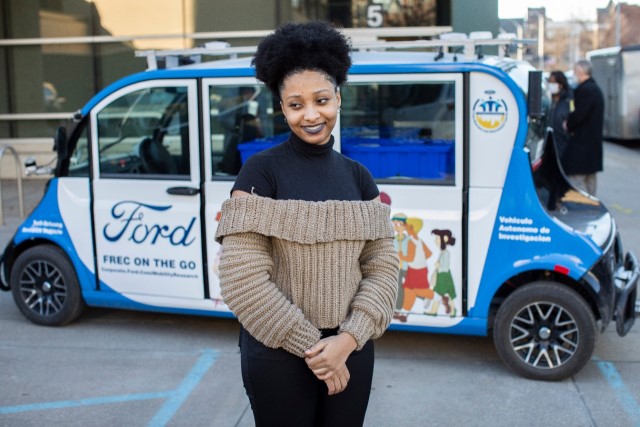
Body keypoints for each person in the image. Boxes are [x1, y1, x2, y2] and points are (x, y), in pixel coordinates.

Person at [214, 21, 399, 427]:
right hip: (277, 352)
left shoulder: (359, 177)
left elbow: (383, 270)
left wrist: (346, 341)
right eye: (296, 104)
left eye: (321, 100)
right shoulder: (259, 174)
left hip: (352, 348)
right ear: (282, 108)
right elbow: (241, 280)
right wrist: (319, 350)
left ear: (339, 97)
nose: (311, 115)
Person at [563, 59, 605, 196]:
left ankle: (581, 211)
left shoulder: (585, 90)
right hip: (591, 148)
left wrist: (568, 124)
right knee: (590, 184)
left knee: (577, 184)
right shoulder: (595, 89)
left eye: (575, 72)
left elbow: (578, 115)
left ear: (580, 72)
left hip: (582, 148)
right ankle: (592, 210)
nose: (574, 75)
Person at [546, 70, 572, 160]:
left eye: (553, 82)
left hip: (564, 143)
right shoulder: (548, 99)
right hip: (550, 144)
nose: (550, 85)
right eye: (549, 82)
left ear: (560, 84)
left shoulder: (569, 100)